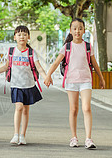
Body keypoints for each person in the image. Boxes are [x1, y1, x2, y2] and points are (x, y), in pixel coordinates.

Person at [44, 18, 105, 149]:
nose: (77, 31)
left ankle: (88, 139)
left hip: (86, 81)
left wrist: (101, 78)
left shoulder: (88, 46)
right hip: (71, 81)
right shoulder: (66, 47)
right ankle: (74, 137)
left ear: (84, 31)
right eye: (75, 28)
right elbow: (55, 63)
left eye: (80, 28)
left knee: (86, 108)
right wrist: (48, 75)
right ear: (71, 31)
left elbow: (95, 64)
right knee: (74, 109)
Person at [0, 25, 47, 145]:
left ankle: (23, 135)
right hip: (16, 85)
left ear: (28, 37)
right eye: (19, 34)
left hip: (29, 85)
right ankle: (15, 134)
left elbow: (39, 67)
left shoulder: (31, 52)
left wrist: (46, 77)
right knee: (19, 107)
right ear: (14, 37)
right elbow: (7, 66)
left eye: (24, 34)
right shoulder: (11, 51)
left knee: (26, 111)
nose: (22, 36)